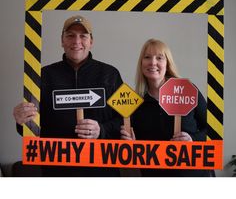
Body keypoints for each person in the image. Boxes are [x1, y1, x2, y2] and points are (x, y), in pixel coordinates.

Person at [13, 15, 123, 176]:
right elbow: (31, 128)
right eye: (70, 35)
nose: (76, 41)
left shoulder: (110, 74)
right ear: (62, 41)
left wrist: (101, 130)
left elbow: (126, 120)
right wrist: (21, 120)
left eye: (83, 36)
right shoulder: (42, 76)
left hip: (102, 171)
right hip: (56, 171)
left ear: (91, 42)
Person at [120, 38, 211, 177]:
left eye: (159, 58)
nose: (153, 62)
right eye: (147, 57)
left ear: (167, 63)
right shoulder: (135, 103)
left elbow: (213, 130)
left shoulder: (188, 91)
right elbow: (139, 152)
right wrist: (133, 145)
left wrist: (193, 139)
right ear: (141, 63)